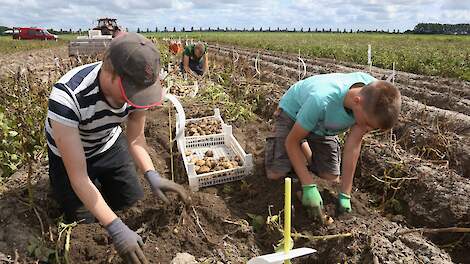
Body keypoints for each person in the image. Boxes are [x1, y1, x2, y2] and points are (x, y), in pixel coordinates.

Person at [46, 32, 187, 264]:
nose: (135, 100)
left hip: (108, 144)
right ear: (110, 75)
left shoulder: (137, 89)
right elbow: (79, 177)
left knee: (132, 203)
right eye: (131, 92)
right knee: (87, 225)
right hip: (68, 158)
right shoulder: (67, 98)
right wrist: (115, 228)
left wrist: (151, 174)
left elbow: (135, 139)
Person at [264, 72, 401, 218]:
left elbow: (353, 147)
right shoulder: (321, 99)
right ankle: (301, 140)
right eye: (367, 124)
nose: (367, 129)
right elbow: (291, 142)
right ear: (356, 101)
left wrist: (345, 194)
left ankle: (304, 143)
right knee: (276, 174)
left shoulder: (375, 98)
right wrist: (308, 185)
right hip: (293, 115)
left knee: (331, 178)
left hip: (325, 126)